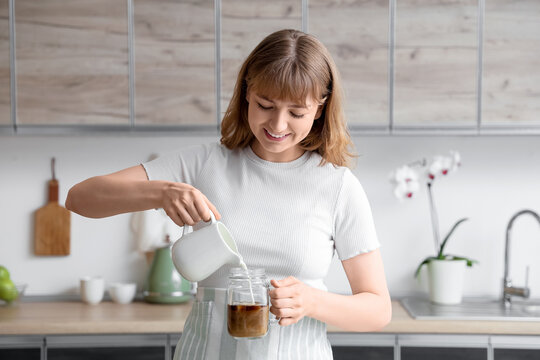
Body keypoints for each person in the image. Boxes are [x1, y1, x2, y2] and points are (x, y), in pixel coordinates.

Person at [66, 29, 391, 360]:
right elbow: (80, 198)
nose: (278, 125)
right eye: (266, 105)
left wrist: (313, 301)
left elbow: (378, 310)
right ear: (248, 92)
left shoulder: (337, 186)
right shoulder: (203, 164)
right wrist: (160, 192)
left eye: (296, 112)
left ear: (320, 109)